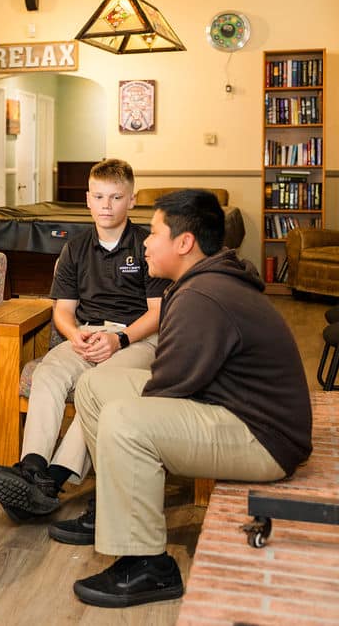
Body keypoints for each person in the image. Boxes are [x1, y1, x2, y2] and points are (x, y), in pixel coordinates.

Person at [64, 189, 312, 608]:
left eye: (155, 232)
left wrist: (129, 421)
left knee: (125, 419)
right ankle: (116, 507)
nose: (144, 241)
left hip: (264, 438)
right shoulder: (205, 280)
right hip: (231, 407)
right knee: (95, 386)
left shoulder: (202, 295)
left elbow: (168, 387)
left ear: (184, 243)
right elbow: (174, 381)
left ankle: (147, 566)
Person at [0, 159, 168, 522]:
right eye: (99, 196)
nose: (106, 205)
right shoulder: (75, 248)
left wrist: (119, 339)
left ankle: (51, 483)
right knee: (49, 372)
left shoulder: (146, 246)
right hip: (88, 332)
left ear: (131, 200)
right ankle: (33, 467)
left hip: (137, 339)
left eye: (116, 197)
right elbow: (64, 311)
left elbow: (158, 312)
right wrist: (76, 336)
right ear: (87, 199)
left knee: (96, 387)